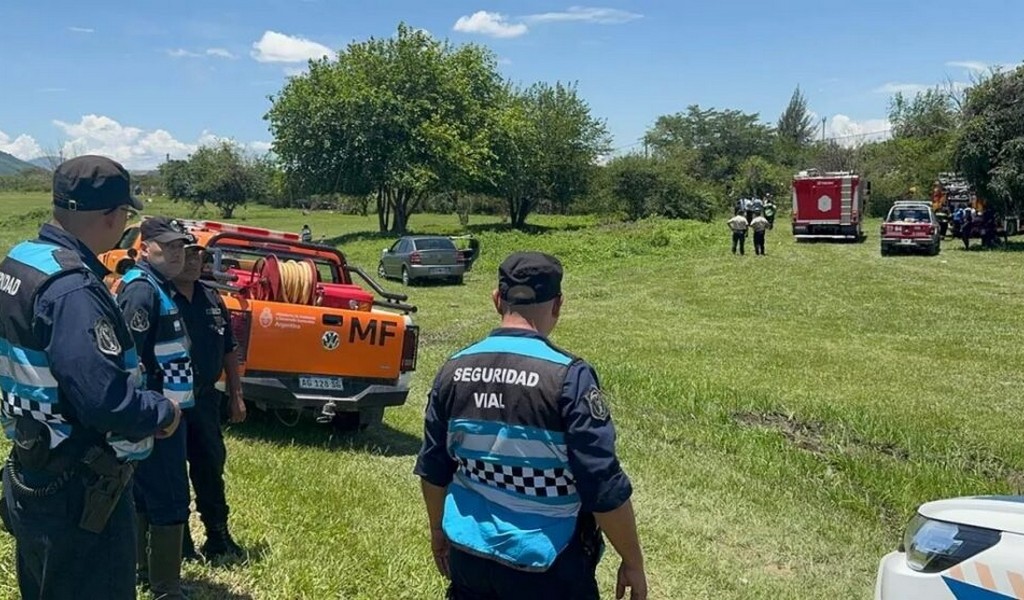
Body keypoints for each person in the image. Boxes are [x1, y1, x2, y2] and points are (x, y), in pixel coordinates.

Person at [414, 252, 647, 600]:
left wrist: (437, 530)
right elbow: (602, 483)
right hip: (550, 567)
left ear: (497, 300)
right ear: (558, 305)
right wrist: (632, 560)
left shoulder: (454, 369)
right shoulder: (569, 377)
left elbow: (434, 469)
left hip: (469, 557)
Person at [0, 155, 181, 599]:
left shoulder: (20, 262)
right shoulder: (73, 289)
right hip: (80, 484)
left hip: (32, 463)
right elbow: (105, 401)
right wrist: (163, 410)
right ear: (111, 215)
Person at [115, 217, 195, 598]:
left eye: (182, 247)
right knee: (170, 495)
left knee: (148, 494)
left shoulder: (161, 288)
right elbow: (127, 359)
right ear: (145, 247)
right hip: (158, 419)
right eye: (169, 247)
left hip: (169, 415)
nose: (179, 254)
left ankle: (144, 571)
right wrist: (147, 414)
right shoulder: (142, 291)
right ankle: (166, 588)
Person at [170, 243, 247, 562]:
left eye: (198, 256)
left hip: (205, 399)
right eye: (187, 255)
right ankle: (179, 541)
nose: (193, 262)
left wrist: (237, 395)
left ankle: (218, 535)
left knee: (210, 467)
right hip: (171, 402)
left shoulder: (213, 299)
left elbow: (230, 348)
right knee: (172, 472)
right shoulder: (161, 297)